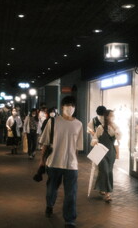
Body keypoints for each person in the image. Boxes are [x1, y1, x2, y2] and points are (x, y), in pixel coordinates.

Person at [38, 96, 83, 228]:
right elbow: (45, 143)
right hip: (54, 162)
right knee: (51, 189)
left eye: (72, 105)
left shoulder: (79, 124)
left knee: (71, 193)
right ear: (62, 107)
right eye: (67, 105)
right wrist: (41, 161)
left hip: (71, 165)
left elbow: (77, 148)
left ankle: (70, 220)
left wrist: (76, 163)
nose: (70, 108)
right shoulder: (53, 122)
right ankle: (49, 205)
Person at [91, 109, 121, 203]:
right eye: (111, 115)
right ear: (106, 116)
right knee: (105, 170)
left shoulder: (116, 127)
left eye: (113, 115)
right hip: (101, 152)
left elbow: (118, 139)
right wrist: (95, 142)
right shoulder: (100, 127)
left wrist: (117, 153)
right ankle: (108, 194)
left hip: (111, 153)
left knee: (108, 171)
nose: (112, 117)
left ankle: (101, 187)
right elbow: (95, 138)